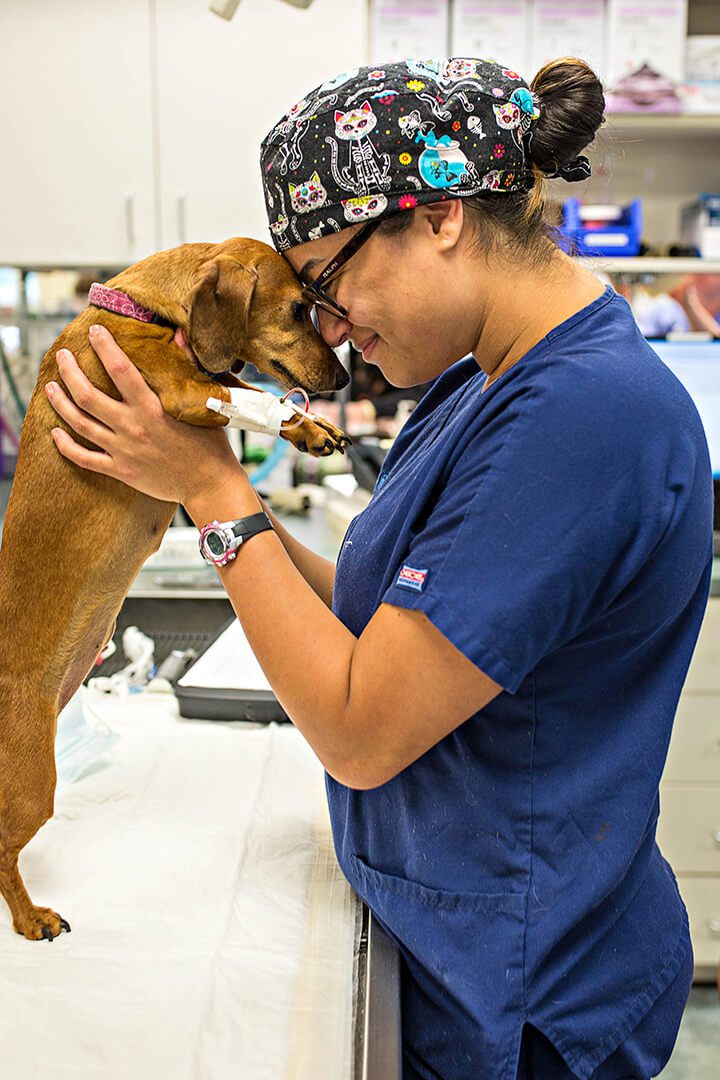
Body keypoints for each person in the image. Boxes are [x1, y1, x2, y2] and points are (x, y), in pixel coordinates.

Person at [43, 56, 712, 1080]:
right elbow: (378, 615)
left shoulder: (583, 417)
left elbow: (361, 730)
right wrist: (197, 483)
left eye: (330, 282)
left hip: (523, 992)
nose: (333, 329)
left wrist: (217, 494)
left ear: (438, 215)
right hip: (445, 935)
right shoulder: (474, 381)